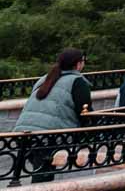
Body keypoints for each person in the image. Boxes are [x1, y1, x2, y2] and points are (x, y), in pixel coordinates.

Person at [15, 49, 92, 183]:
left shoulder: (44, 78)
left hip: (24, 134)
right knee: (43, 177)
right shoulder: (77, 81)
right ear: (78, 64)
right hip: (49, 136)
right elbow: (85, 113)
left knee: (40, 173)